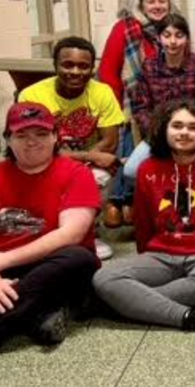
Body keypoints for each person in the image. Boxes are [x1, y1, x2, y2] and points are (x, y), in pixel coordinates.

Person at [0, 103, 101, 359]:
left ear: (55, 136)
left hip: (52, 267)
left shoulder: (77, 173)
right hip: (3, 269)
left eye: (40, 134)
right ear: (8, 138)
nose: (32, 142)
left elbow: (71, 234)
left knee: (79, 258)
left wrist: (1, 259)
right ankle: (36, 316)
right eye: (22, 135)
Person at [92, 100, 195, 335]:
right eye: (177, 126)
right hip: (162, 254)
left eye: (193, 127)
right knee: (104, 277)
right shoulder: (148, 168)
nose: (184, 132)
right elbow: (144, 219)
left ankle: (109, 305)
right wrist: (145, 255)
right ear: (164, 129)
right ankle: (190, 317)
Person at [19, 36, 125, 260]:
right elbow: (37, 147)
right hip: (42, 164)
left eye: (83, 66)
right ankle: (50, 234)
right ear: (55, 66)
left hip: (84, 165)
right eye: (68, 64)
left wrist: (79, 165)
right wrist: (87, 156)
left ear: (91, 68)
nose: (75, 71)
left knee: (99, 177)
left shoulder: (102, 92)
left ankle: (87, 233)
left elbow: (110, 141)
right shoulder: (32, 96)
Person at [97, 0, 180, 227]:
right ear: (140, 4)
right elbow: (109, 72)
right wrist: (115, 110)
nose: (157, 6)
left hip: (160, 104)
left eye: (161, 1)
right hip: (127, 103)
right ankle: (116, 200)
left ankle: (133, 201)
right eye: (151, 1)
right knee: (126, 148)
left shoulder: (172, 28)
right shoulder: (124, 28)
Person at [123, 13, 195, 181]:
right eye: (167, 35)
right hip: (159, 134)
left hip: (194, 132)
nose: (173, 41)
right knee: (130, 170)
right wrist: (159, 132)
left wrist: (193, 130)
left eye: (179, 35)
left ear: (186, 39)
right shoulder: (149, 66)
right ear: (159, 38)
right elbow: (141, 107)